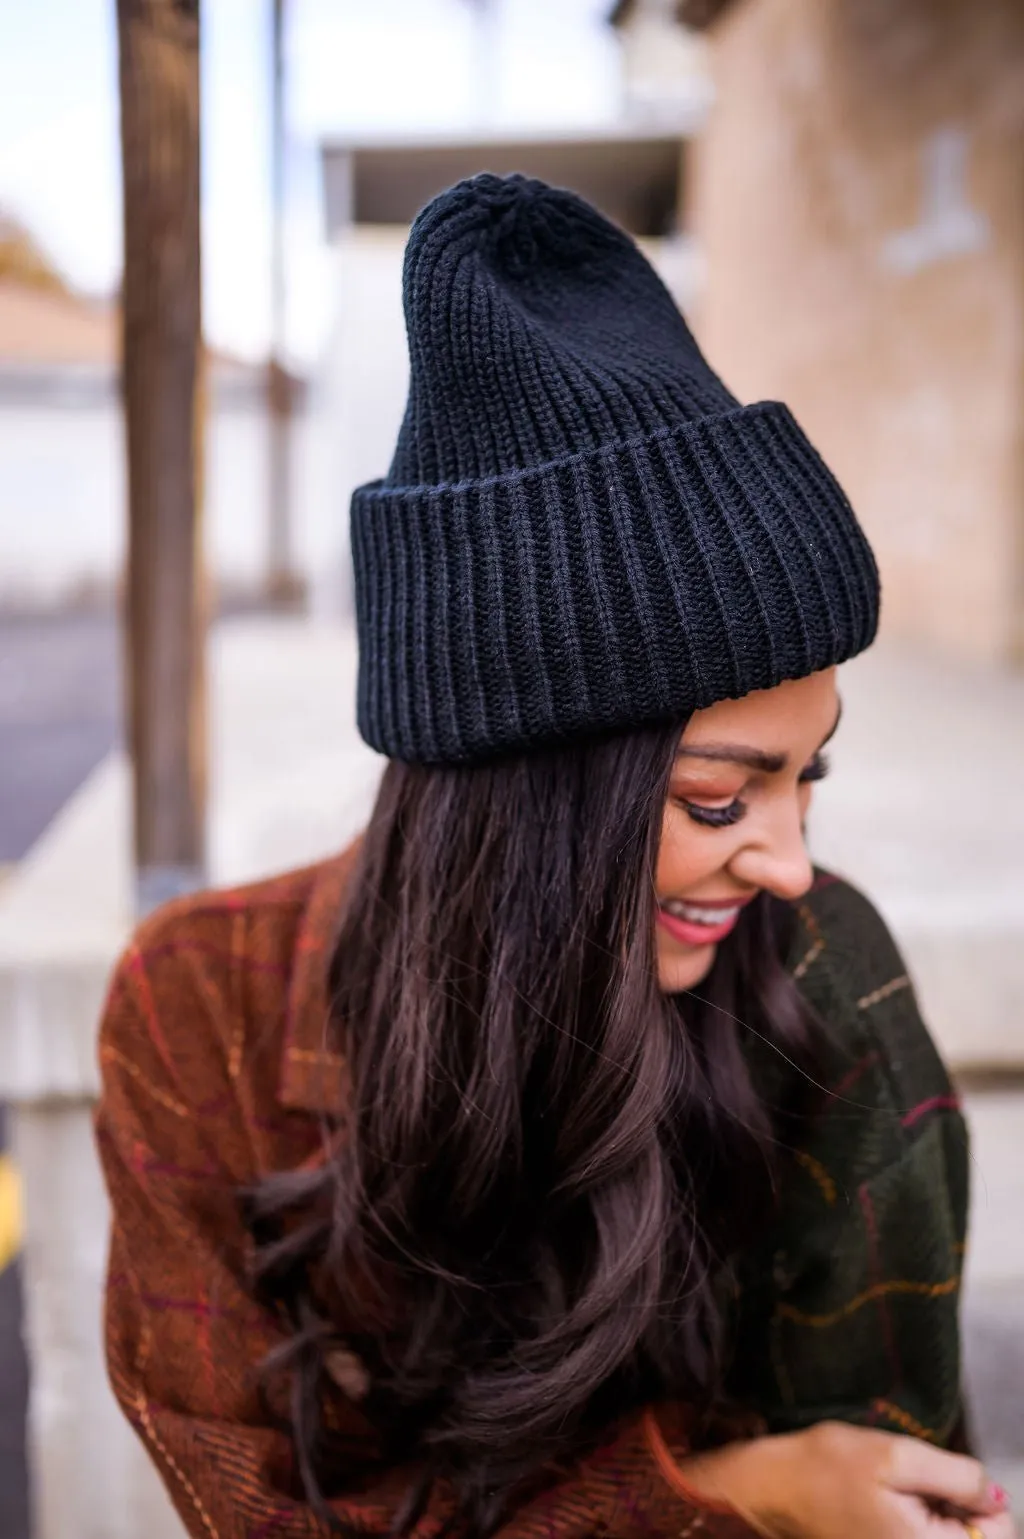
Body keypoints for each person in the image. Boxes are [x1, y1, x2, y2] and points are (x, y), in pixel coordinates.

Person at [95, 175, 1016, 1539]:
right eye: (721, 800)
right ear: (528, 805)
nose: (790, 868)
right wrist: (704, 1493)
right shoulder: (199, 1012)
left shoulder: (822, 988)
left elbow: (900, 1492)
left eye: (805, 776)